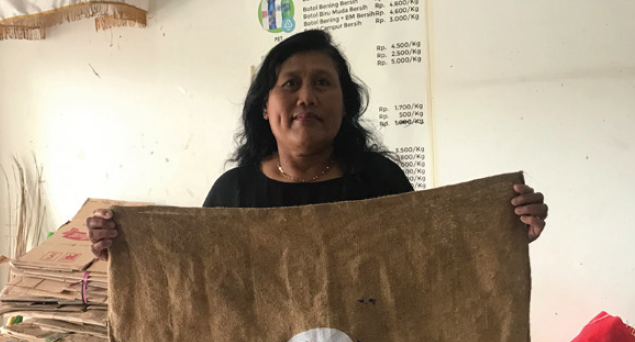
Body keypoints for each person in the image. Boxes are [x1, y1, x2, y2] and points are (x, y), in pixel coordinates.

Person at [87, 30, 548, 259]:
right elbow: (194, 277)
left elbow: (431, 262)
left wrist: (505, 230)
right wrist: (125, 248)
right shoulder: (233, 193)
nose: (306, 96)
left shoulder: (380, 181)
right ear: (265, 109)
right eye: (290, 84)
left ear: (345, 104)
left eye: (323, 83)